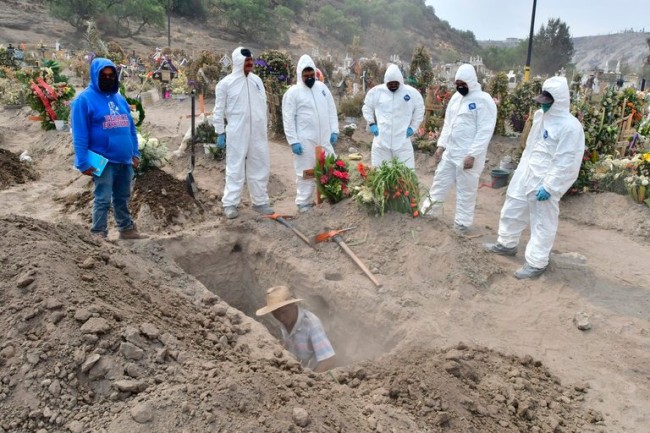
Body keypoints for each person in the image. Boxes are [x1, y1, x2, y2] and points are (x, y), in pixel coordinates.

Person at [485, 76, 585, 279]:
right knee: (513, 206)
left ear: (559, 101)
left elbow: (567, 160)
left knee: (542, 223)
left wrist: (550, 186)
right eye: (542, 102)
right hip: (527, 173)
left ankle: (537, 262)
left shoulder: (570, 127)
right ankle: (506, 243)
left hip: (544, 181)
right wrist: (520, 171)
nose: (544, 106)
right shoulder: (540, 117)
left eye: (547, 103)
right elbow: (531, 147)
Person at [71, 57, 146, 240]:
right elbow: (80, 134)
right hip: (101, 159)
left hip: (124, 159)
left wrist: (134, 153)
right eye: (103, 75)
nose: (108, 78)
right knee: (103, 198)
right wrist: (82, 162)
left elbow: (130, 127)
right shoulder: (84, 100)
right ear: (95, 75)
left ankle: (126, 229)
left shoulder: (118, 98)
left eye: (111, 75)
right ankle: (98, 233)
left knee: (123, 196)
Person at [420, 63, 497, 233]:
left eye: (463, 84)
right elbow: (449, 124)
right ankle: (429, 211)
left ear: (471, 81)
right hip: (451, 152)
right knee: (439, 183)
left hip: (468, 157)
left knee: (465, 191)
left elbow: (485, 131)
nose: (460, 87)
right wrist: (441, 146)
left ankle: (462, 224)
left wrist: (473, 154)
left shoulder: (483, 101)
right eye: (457, 84)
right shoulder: (456, 98)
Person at [213, 47, 273, 219]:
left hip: (258, 133)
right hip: (236, 132)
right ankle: (230, 203)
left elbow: (264, 106)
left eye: (251, 61)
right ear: (239, 62)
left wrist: (264, 126)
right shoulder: (225, 84)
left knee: (260, 165)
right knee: (235, 167)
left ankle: (260, 201)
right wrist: (219, 131)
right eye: (247, 62)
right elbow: (219, 110)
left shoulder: (257, 81)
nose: (250, 64)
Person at [282, 54, 339, 212]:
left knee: (331, 167)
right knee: (306, 172)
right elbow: (288, 118)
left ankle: (331, 195)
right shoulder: (293, 93)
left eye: (311, 75)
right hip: (305, 141)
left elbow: (331, 110)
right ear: (300, 75)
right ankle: (304, 202)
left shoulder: (322, 89)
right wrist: (293, 140)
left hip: (325, 139)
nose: (309, 78)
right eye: (306, 75)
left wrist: (334, 130)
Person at [256, 286, 336, 372]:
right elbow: (289, 343)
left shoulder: (311, 324)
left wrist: (310, 380)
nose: (281, 317)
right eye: (275, 314)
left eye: (284, 311)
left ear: (293, 305)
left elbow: (329, 360)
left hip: (311, 372)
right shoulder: (285, 322)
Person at [361, 63, 424, 169]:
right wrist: (371, 123)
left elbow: (420, 110)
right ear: (386, 82)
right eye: (391, 84)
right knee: (380, 173)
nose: (393, 86)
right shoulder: (377, 92)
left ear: (400, 81)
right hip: (381, 141)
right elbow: (367, 107)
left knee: (405, 174)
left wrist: (412, 128)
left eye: (396, 84)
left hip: (402, 141)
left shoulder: (411, 93)